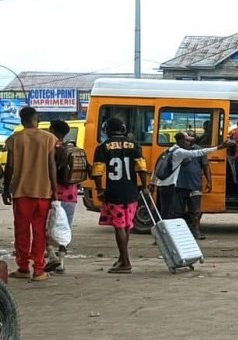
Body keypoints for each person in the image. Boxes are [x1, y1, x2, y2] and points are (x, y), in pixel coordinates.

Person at [2, 106, 58, 281]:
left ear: (21, 120)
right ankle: (39, 270)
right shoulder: (49, 138)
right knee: (40, 231)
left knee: (22, 231)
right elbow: (52, 166)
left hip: (21, 192)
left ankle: (23, 267)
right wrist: (55, 190)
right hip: (43, 192)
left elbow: (9, 167)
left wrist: (6, 189)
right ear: (37, 119)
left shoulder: (14, 139)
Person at [92, 117, 149, 274]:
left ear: (107, 130)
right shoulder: (134, 145)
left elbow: (97, 172)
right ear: (123, 128)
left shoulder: (103, 147)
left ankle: (126, 262)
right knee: (126, 225)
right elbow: (142, 168)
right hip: (131, 192)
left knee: (119, 227)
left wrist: (100, 190)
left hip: (114, 192)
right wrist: (144, 187)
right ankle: (122, 258)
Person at [153, 132, 225, 239]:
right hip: (178, 186)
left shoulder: (176, 150)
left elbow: (205, 166)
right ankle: (171, 235)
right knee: (175, 212)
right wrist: (219, 147)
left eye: (191, 138)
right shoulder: (178, 151)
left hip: (194, 184)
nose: (189, 141)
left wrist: (209, 181)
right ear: (181, 141)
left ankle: (194, 231)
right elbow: (159, 166)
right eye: (187, 139)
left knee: (195, 211)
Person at [44, 120, 79, 274]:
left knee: (46, 227)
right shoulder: (71, 148)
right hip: (71, 194)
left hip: (52, 194)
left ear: (52, 130)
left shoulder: (50, 147)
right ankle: (62, 263)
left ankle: (51, 256)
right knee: (65, 229)